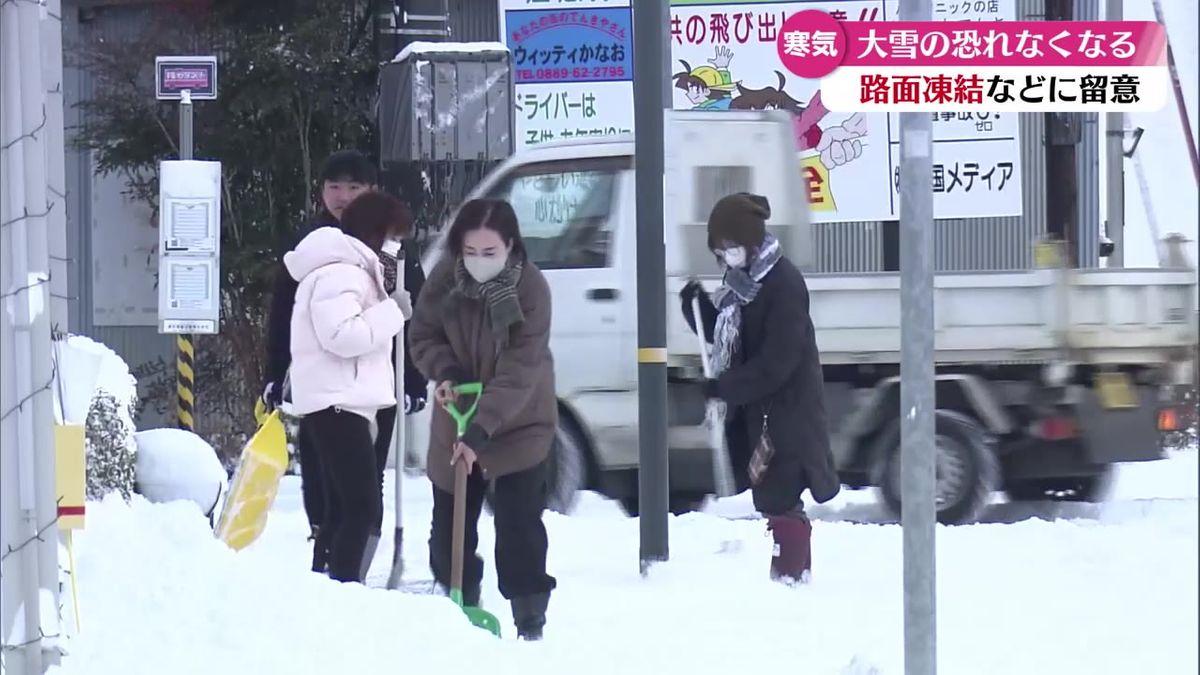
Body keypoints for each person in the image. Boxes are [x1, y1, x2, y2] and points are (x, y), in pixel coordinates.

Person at [259, 149, 428, 573]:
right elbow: (286, 317)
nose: (343, 196)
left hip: (378, 380)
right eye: (334, 186)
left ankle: (348, 570)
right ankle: (337, 571)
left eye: (355, 187)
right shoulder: (318, 251)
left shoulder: (391, 251)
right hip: (335, 386)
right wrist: (277, 373)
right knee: (336, 486)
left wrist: (414, 378)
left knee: (366, 484)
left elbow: (416, 315)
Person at [408, 198, 558, 640]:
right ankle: (461, 608)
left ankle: (530, 620)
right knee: (449, 531)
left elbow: (519, 369)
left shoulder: (531, 291)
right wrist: (447, 372)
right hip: (455, 417)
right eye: (469, 253)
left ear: (510, 247)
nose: (477, 263)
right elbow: (422, 335)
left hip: (518, 422)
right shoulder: (444, 280)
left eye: (489, 253)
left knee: (519, 526)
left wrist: (480, 428)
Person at [678, 192, 840, 585]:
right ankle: (786, 574)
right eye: (719, 251)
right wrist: (698, 310)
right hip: (764, 412)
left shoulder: (783, 284)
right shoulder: (743, 284)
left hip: (788, 412)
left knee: (780, 495)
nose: (725, 258)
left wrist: (724, 387)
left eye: (730, 248)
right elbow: (731, 333)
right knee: (770, 495)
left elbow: (776, 362)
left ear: (751, 243)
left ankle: (791, 578)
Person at [283, 190, 413, 583]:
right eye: (394, 236)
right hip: (337, 403)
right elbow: (342, 335)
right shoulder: (342, 273)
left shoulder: (351, 271)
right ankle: (343, 591)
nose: (397, 246)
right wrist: (394, 312)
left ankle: (330, 585)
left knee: (343, 507)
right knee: (361, 506)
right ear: (378, 232)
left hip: (343, 402)